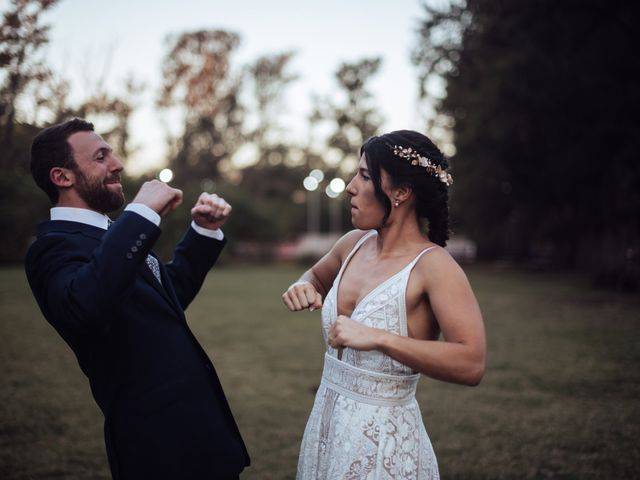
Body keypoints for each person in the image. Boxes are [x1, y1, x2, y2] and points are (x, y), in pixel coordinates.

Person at [25, 118, 250, 479]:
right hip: (156, 448)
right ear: (62, 177)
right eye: (101, 157)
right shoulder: (53, 248)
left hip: (201, 432)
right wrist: (141, 213)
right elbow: (85, 307)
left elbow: (167, 296)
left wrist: (203, 233)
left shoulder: (114, 235)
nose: (118, 164)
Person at [282, 130, 486, 479]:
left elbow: (471, 363)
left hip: (384, 447)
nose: (350, 187)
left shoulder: (434, 266)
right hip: (325, 430)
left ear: (401, 192)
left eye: (364, 176)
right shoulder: (352, 244)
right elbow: (314, 277)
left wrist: (380, 337)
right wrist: (303, 287)